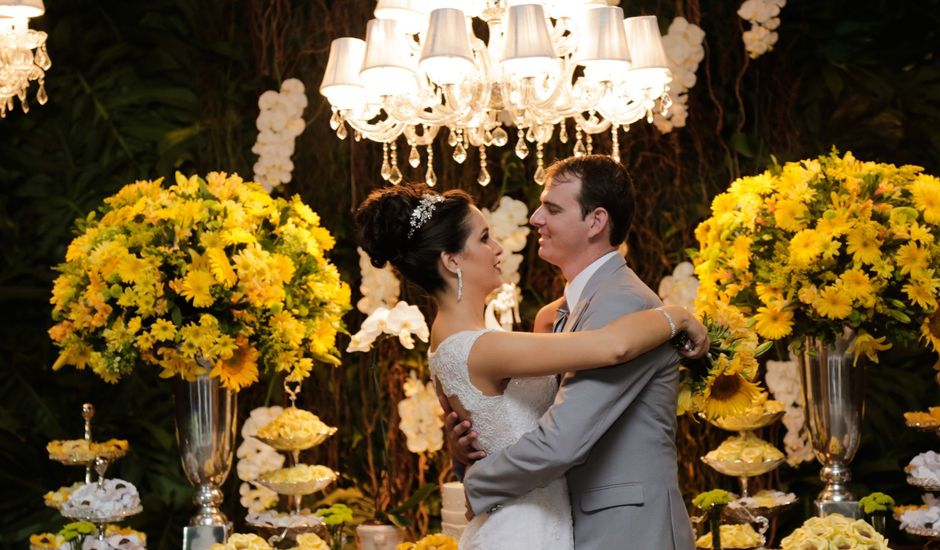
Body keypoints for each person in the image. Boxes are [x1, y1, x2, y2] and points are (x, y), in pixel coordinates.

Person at [356, 177, 707, 550]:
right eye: (484, 238)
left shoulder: (470, 338)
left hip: (542, 523)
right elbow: (613, 347)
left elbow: (501, 424)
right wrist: (677, 316)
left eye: (552, 208)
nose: (498, 248)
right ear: (452, 260)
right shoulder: (482, 347)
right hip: (521, 530)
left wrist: (465, 455)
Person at [448, 154, 699, 550]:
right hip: (582, 524)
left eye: (552, 208)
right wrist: (468, 445)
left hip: (628, 531)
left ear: (596, 221)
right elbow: (536, 419)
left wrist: (476, 483)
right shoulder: (567, 310)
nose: (535, 219)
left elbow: (564, 438)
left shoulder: (622, 302)